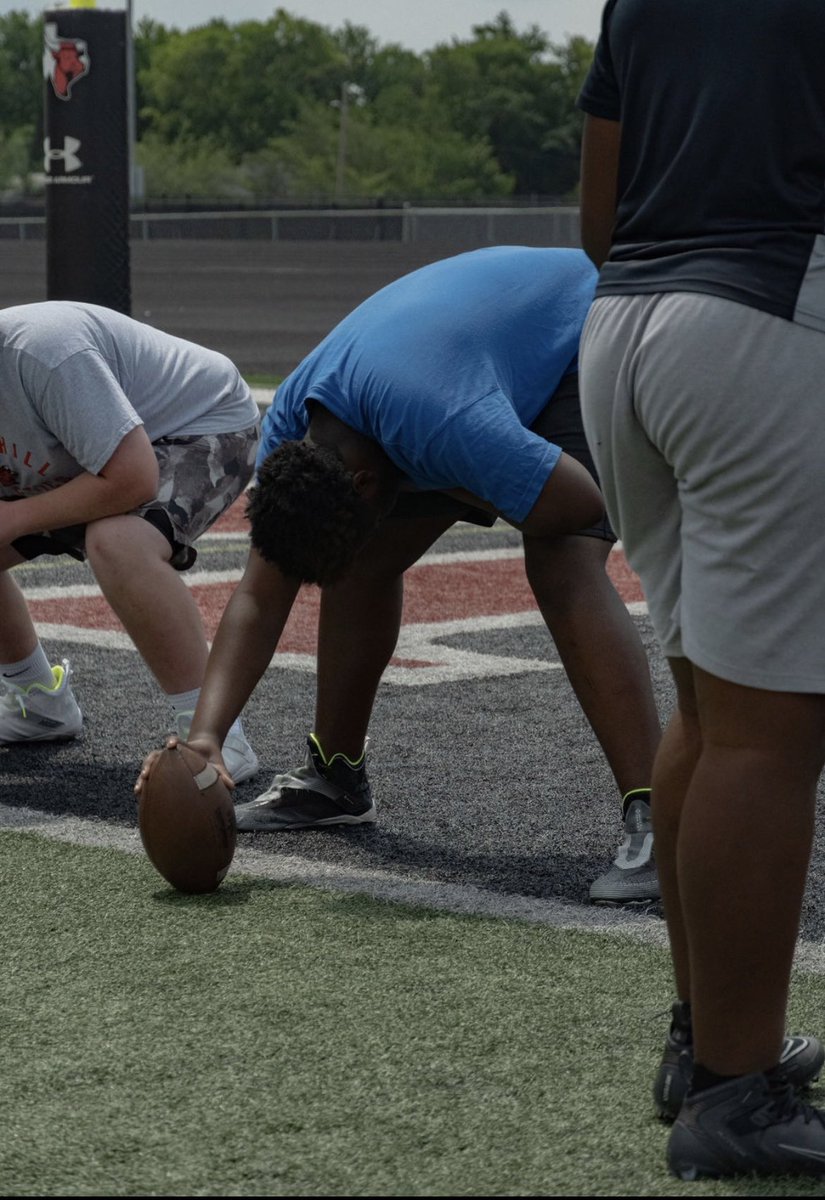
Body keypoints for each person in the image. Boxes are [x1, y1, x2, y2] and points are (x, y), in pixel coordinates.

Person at [137, 245, 662, 903]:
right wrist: (206, 738)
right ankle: (335, 776)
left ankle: (654, 811)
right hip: (448, 375)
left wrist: (479, 480)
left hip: (582, 333)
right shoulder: (295, 430)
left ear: (361, 482)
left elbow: (582, 500)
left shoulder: (447, 421)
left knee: (559, 558)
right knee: (361, 558)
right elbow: (256, 596)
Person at [577, 0, 825, 1180]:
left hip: (622, 326)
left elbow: (596, 209)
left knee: (711, 718)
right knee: (770, 737)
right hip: (768, 308)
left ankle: (703, 1043)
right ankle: (735, 1094)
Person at [0, 300, 260, 783]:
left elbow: (133, 478)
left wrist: (16, 516)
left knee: (117, 540)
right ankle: (38, 702)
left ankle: (216, 737)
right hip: (85, 453)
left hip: (198, 425)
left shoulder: (42, 352)